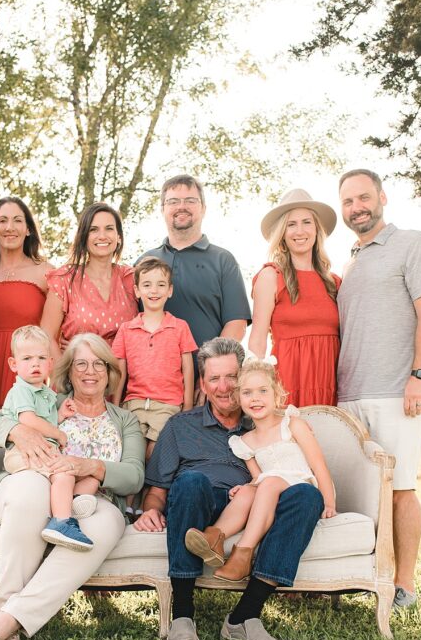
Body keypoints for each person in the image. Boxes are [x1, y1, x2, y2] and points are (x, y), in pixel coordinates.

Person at [134, 337, 324, 640]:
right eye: (214, 379)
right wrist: (150, 510)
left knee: (307, 496)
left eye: (232, 378)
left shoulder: (267, 421)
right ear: (203, 385)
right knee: (191, 481)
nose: (224, 387)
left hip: (256, 508)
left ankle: (244, 617)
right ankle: (182, 615)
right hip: (197, 504)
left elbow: (299, 462)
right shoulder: (180, 426)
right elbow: (156, 492)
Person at [0, 334, 145, 640]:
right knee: (30, 493)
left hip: (96, 499)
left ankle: (7, 620)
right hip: (37, 479)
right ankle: (4, 605)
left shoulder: (125, 419)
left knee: (103, 525)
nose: (90, 371)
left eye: (98, 364)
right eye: (81, 364)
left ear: (110, 372)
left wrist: (89, 465)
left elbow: (134, 475)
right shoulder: (47, 400)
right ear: (68, 370)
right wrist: (16, 431)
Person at [337, 169, 421, 610]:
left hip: (396, 391)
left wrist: (420, 376)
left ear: (382, 197)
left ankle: (405, 584)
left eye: (364, 197)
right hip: (348, 394)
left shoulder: (413, 243)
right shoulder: (350, 260)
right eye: (348, 202)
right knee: (360, 492)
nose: (357, 207)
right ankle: (365, 574)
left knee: (400, 487)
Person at [185, 357, 336, 582]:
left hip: (300, 488)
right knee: (249, 490)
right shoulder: (245, 441)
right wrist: (246, 487)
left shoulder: (291, 424)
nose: (255, 398)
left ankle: (242, 553)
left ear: (276, 394)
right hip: (269, 494)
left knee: (270, 482)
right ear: (238, 398)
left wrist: (329, 502)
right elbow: (257, 478)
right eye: (247, 393)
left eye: (263, 391)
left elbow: (318, 465)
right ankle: (214, 537)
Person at [137, 174, 251, 371]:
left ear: (203, 209)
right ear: (163, 209)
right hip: (152, 380)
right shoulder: (145, 262)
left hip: (208, 383)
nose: (182, 206)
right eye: (173, 201)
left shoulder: (223, 260)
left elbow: (236, 324)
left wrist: (212, 372)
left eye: (190, 200)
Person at [0, 325, 100, 550]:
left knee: (83, 476)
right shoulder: (21, 391)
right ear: (13, 364)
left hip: (40, 449)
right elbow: (28, 420)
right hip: (23, 452)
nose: (35, 364)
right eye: (26, 358)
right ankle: (61, 522)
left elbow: (44, 420)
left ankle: (69, 505)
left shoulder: (45, 393)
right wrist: (58, 433)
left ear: (50, 363)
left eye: (41, 357)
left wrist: (61, 415)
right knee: (63, 473)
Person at [249, 188, 341, 406]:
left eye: (307, 222)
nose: (300, 231)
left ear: (317, 229)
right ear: (282, 233)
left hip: (330, 384)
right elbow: (258, 340)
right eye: (291, 224)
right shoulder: (271, 276)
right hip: (286, 384)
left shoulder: (334, 283)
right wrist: (256, 391)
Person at [112, 257, 197, 459]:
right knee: (133, 454)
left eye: (161, 285)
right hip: (134, 404)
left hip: (168, 404)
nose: (154, 290)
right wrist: (115, 407)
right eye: (147, 285)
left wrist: (188, 407)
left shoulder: (179, 327)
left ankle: (152, 489)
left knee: (155, 452)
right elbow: (119, 372)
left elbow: (188, 369)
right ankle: (132, 490)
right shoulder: (126, 329)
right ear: (137, 291)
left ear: (170, 290)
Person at [0, 196, 53, 416]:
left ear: (28, 229)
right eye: (2, 221)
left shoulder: (46, 272)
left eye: (18, 220)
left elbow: (58, 329)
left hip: (27, 371)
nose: (10, 227)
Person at [40, 202, 138, 362]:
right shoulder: (64, 279)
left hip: (125, 380)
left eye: (109, 228)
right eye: (93, 229)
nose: (102, 236)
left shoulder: (131, 279)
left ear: (119, 236)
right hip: (77, 377)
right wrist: (62, 379)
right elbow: (46, 336)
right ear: (84, 237)